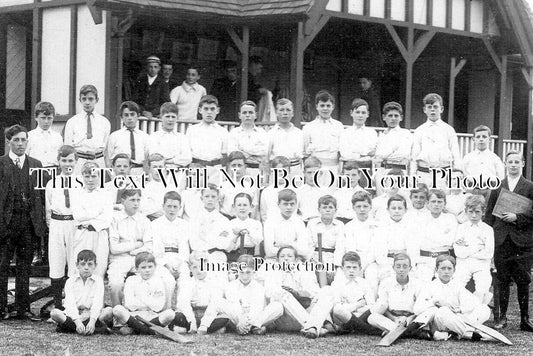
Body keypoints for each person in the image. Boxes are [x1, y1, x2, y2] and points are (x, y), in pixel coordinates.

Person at [0, 124, 46, 320]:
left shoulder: (36, 164)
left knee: (24, 267)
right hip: (7, 223)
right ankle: (1, 308)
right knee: (2, 267)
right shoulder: (1, 164)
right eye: (16, 140)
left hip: (28, 224)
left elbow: (42, 198)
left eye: (23, 140)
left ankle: (22, 308)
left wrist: (39, 224)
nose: (20, 144)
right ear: (8, 141)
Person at [485, 151, 533, 331]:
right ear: (505, 164)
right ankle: (502, 318)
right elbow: (489, 214)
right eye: (510, 162)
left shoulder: (529, 186)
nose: (513, 165)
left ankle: (525, 319)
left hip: (522, 242)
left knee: (523, 280)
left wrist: (517, 217)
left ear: (522, 163)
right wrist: (490, 240)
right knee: (502, 279)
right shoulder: (498, 186)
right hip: (502, 239)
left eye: (516, 162)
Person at [302, 252, 376, 338]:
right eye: (348, 267)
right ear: (342, 268)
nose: (351, 271)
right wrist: (358, 305)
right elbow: (337, 309)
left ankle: (345, 329)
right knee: (336, 307)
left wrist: (349, 307)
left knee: (373, 310)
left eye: (354, 268)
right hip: (341, 318)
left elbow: (371, 306)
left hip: (360, 315)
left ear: (360, 269)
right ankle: (360, 328)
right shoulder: (337, 284)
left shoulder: (365, 284)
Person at [416, 255, 491, 341]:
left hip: (457, 319)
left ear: (454, 270)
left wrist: (460, 309)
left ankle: (456, 333)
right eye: (443, 268)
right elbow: (417, 309)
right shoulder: (429, 286)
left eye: (449, 269)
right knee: (443, 311)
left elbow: (474, 302)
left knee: (484, 308)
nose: (446, 272)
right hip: (441, 322)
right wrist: (434, 302)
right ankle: (471, 333)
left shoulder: (457, 285)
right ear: (436, 270)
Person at [198, 254, 267, 335]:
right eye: (242, 272)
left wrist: (246, 321)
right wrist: (241, 320)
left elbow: (256, 309)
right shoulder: (231, 285)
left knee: (276, 307)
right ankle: (204, 325)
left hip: (253, 317)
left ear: (253, 271)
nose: (245, 277)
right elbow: (234, 306)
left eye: (248, 272)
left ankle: (248, 327)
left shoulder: (258, 287)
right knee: (217, 301)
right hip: (237, 316)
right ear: (237, 270)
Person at [367, 253, 432, 339]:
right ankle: (410, 332)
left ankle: (395, 331)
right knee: (372, 317)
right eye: (398, 266)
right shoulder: (386, 283)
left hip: (411, 319)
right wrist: (394, 319)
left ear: (410, 268)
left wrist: (410, 318)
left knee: (431, 311)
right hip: (392, 319)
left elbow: (420, 307)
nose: (401, 269)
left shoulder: (418, 284)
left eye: (405, 266)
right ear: (393, 268)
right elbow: (383, 306)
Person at [257, 246, 320, 334]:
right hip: (283, 317)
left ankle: (310, 326)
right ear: (277, 260)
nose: (286, 259)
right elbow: (270, 293)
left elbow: (314, 292)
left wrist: (298, 294)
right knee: (283, 295)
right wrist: (289, 295)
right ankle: (311, 326)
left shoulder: (304, 271)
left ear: (296, 259)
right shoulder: (272, 273)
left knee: (326, 292)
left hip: (303, 311)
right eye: (282, 256)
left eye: (289, 256)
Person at [45, 145, 78, 310]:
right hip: (57, 224)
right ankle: (57, 305)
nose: (67, 164)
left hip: (74, 224)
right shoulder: (52, 183)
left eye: (70, 160)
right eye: (64, 160)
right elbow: (48, 208)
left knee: (73, 262)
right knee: (56, 261)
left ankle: (72, 304)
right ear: (58, 162)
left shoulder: (81, 182)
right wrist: (53, 225)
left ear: (76, 161)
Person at [50, 250, 113, 335]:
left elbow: (97, 303)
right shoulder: (70, 281)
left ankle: (71, 328)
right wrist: (77, 322)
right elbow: (70, 303)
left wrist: (92, 321)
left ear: (95, 266)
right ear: (77, 265)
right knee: (54, 313)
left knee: (109, 311)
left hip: (91, 315)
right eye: (83, 264)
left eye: (90, 264)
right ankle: (96, 329)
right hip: (74, 315)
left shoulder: (98, 281)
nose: (86, 267)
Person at [108, 189, 153, 307]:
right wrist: (136, 245)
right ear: (123, 201)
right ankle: (118, 315)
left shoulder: (144, 220)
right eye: (132, 200)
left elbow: (148, 246)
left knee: (150, 279)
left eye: (138, 200)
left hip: (139, 258)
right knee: (115, 284)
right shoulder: (114, 219)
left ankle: (142, 312)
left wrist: (134, 250)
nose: (136, 203)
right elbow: (114, 248)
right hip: (119, 259)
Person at [112, 252, 175, 335]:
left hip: (152, 315)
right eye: (143, 267)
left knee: (170, 314)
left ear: (155, 267)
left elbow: (158, 306)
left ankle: (136, 329)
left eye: (150, 267)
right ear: (137, 268)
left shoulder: (158, 281)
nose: (147, 270)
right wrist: (150, 300)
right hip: (134, 316)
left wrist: (139, 298)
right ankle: (150, 330)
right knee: (117, 309)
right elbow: (129, 304)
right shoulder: (131, 280)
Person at [70, 161, 112, 278]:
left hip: (99, 234)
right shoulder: (77, 193)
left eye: (94, 176)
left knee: (99, 268)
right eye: (87, 176)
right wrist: (97, 211)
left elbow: (106, 218)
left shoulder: (106, 193)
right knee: (80, 267)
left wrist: (88, 215)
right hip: (82, 234)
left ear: (99, 176)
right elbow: (78, 215)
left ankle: (96, 295)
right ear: (82, 177)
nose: (90, 180)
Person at [411, 93, 461, 187]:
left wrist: (456, 174)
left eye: (435, 107)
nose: (432, 109)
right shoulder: (419, 130)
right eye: (429, 107)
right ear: (425, 110)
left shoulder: (449, 130)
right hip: (423, 174)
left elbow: (456, 154)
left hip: (443, 174)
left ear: (441, 109)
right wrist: (413, 175)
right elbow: (414, 156)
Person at [336, 191, 379, 295]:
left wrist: (364, 264)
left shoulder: (377, 225)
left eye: (365, 206)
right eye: (358, 206)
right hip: (352, 260)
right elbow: (344, 247)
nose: (362, 209)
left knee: (372, 276)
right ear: (353, 208)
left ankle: (370, 305)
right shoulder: (348, 226)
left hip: (370, 261)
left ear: (370, 207)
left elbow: (376, 247)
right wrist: (346, 264)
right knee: (341, 277)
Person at [453, 196, 494, 304]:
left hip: (481, 264)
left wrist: (467, 249)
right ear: (466, 211)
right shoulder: (461, 228)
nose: (474, 215)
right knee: (456, 285)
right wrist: (477, 248)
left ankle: (477, 311)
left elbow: (488, 253)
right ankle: (459, 309)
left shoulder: (488, 229)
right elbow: (458, 252)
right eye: (470, 212)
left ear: (483, 212)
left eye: (477, 212)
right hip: (463, 263)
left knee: (483, 286)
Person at [172, 252, 226, 334]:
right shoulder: (187, 283)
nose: (198, 271)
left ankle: (204, 327)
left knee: (223, 320)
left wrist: (204, 324)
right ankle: (191, 326)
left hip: (208, 314)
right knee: (178, 319)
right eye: (194, 267)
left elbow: (214, 304)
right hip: (191, 314)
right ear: (190, 268)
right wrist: (192, 321)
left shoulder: (214, 282)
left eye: (202, 267)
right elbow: (184, 303)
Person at [152, 191, 192, 299]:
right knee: (167, 281)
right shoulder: (155, 224)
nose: (172, 210)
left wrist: (179, 263)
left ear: (180, 207)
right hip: (162, 260)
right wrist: (167, 265)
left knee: (185, 280)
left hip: (179, 259)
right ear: (163, 207)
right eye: (169, 206)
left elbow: (184, 247)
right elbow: (157, 249)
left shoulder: (184, 225)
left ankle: (181, 310)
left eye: (175, 206)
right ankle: (167, 310)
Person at [63, 85, 110, 175]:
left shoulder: (104, 122)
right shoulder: (72, 122)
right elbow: (68, 147)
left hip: (98, 162)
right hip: (79, 162)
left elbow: (106, 148)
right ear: (80, 100)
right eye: (84, 99)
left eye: (91, 99)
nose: (87, 102)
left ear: (97, 100)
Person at [416, 189, 457, 282]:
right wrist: (441, 235)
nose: (436, 204)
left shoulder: (450, 219)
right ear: (427, 203)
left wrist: (430, 238)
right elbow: (418, 241)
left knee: (445, 286)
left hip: (443, 258)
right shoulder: (420, 219)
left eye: (439, 202)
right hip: (424, 259)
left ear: (444, 203)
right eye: (433, 201)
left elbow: (449, 241)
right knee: (422, 285)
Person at [186, 95, 229, 182]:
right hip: (197, 168)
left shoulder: (223, 131)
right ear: (200, 110)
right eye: (206, 109)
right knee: (195, 193)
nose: (209, 112)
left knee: (215, 193)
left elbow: (225, 154)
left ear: (217, 110)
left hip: (216, 169)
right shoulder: (192, 130)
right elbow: (187, 152)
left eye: (212, 109)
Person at [188, 184, 232, 264]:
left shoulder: (223, 220)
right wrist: (216, 237)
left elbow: (225, 244)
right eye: (207, 196)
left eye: (213, 196)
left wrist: (205, 237)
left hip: (217, 255)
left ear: (218, 199)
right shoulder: (194, 218)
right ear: (201, 198)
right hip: (198, 254)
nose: (210, 199)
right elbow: (194, 243)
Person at [303, 90, 344, 173]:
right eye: (322, 105)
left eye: (328, 106)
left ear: (333, 107)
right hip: (315, 169)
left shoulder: (338, 126)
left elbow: (341, 151)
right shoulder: (308, 127)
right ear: (316, 106)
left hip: (334, 168)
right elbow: (305, 152)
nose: (325, 108)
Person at [263, 189, 310, 260]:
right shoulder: (270, 222)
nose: (289, 207)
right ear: (278, 204)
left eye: (292, 204)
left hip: (295, 259)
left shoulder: (299, 223)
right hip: (274, 259)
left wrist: (280, 247)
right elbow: (269, 251)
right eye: (285, 204)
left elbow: (303, 250)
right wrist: (293, 246)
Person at [306, 195, 344, 281]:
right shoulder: (312, 223)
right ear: (318, 210)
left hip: (331, 258)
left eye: (331, 207)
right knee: (309, 275)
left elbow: (340, 247)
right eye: (324, 207)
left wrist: (335, 265)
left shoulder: (340, 225)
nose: (327, 210)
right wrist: (310, 261)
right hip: (315, 257)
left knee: (337, 277)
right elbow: (309, 244)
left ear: (335, 210)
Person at [105, 101, 149, 175]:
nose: (129, 118)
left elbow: (147, 158)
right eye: (126, 115)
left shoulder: (145, 137)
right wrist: (112, 176)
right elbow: (108, 159)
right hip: (120, 172)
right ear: (121, 117)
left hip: (139, 171)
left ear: (138, 116)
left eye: (132, 115)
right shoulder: (115, 136)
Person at [227, 101, 269, 175]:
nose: (247, 115)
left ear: (255, 115)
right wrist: (255, 152)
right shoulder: (234, 133)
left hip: (258, 171)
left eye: (250, 112)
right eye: (244, 113)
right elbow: (233, 154)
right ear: (239, 115)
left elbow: (264, 152)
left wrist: (243, 150)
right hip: (240, 172)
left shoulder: (262, 133)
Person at [148, 102, 192, 169]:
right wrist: (177, 159)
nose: (170, 120)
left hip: (178, 173)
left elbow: (187, 158)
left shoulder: (182, 137)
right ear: (161, 117)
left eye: (173, 117)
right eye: (167, 116)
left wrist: (166, 160)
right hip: (160, 172)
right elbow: (155, 158)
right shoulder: (154, 136)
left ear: (177, 118)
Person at [267, 98, 304, 177]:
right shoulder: (270, 134)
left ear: (293, 113)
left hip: (296, 170)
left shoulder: (299, 133)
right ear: (276, 113)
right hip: (278, 171)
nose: (285, 113)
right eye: (281, 110)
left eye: (288, 110)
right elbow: (266, 159)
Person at [339, 98, 378, 172]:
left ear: (367, 114)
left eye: (363, 113)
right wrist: (364, 155)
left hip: (367, 168)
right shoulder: (345, 133)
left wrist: (355, 152)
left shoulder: (372, 133)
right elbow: (345, 153)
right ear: (351, 113)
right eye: (357, 112)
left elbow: (373, 152)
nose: (360, 115)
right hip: (349, 169)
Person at [374, 101, 412, 173]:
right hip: (382, 171)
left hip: (400, 171)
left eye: (396, 116)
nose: (393, 118)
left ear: (401, 117)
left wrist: (384, 157)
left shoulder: (406, 134)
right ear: (384, 117)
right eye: (390, 116)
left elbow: (403, 154)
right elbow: (378, 155)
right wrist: (392, 151)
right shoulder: (381, 135)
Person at [26, 101, 63, 171]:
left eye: (49, 118)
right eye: (43, 118)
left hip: (53, 171)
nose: (46, 121)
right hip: (35, 171)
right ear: (36, 117)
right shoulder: (29, 136)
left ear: (53, 118)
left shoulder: (58, 137)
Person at [227, 193, 263, 262]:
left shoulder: (256, 224)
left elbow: (257, 241)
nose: (242, 208)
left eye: (245, 205)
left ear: (251, 207)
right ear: (234, 207)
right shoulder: (229, 224)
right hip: (233, 255)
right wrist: (236, 236)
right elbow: (228, 247)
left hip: (250, 255)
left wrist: (248, 231)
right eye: (239, 205)